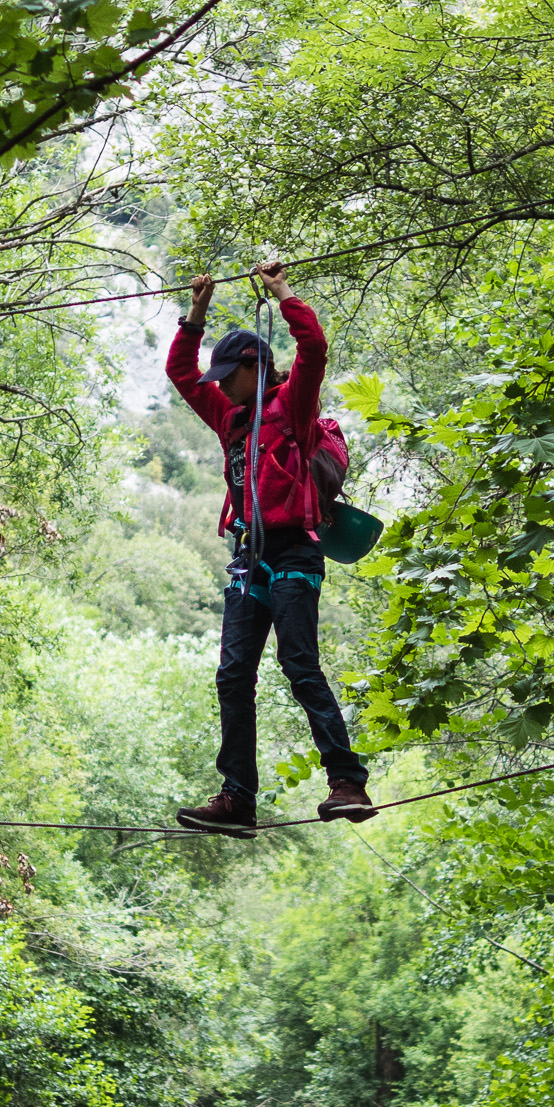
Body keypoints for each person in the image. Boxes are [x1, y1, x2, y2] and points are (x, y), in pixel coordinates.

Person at [166, 261, 377, 834]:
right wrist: (197, 313)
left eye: (227, 374)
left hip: (294, 551)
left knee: (298, 663)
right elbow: (181, 372)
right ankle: (238, 800)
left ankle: (347, 783)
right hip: (249, 554)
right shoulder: (227, 416)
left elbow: (313, 349)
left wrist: (281, 291)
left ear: (253, 369)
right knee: (233, 676)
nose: (218, 384)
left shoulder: (293, 409)